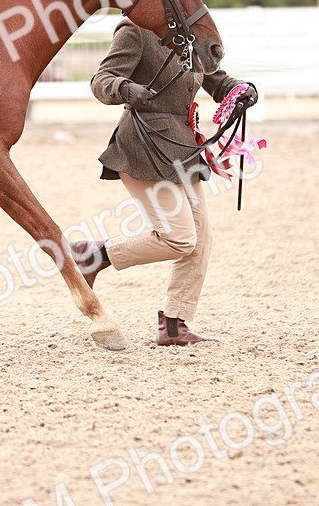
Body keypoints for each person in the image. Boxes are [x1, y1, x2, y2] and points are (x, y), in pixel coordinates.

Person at [73, 19, 256, 346]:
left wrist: (238, 90)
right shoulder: (135, 31)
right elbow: (102, 80)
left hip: (182, 147)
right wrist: (125, 89)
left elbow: (214, 79)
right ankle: (97, 255)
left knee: (201, 239)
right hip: (144, 145)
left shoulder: (191, 36)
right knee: (180, 238)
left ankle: (175, 323)